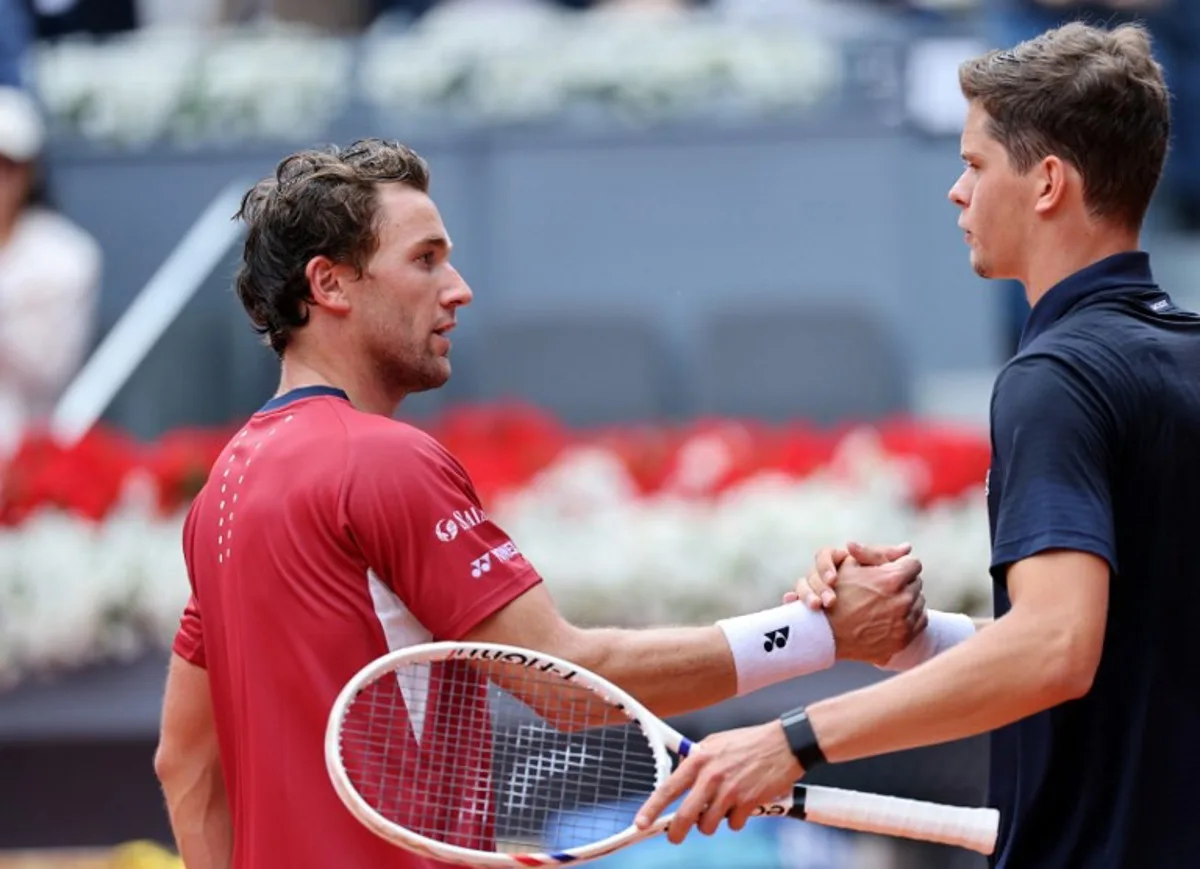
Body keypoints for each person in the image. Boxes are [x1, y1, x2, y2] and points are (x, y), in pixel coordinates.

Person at [152, 138, 930, 869]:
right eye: (425, 261)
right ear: (329, 285)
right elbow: (567, 680)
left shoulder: (224, 486)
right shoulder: (381, 460)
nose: (458, 290)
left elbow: (184, 761)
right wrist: (816, 634)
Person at [635, 21, 1200, 869]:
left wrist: (791, 740)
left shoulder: (1053, 378)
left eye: (975, 165)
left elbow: (1054, 650)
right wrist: (912, 640)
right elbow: (1130, 643)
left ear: (1047, 182)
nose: (955, 192)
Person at [0, 85, 102, 457]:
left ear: (28, 172)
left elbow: (48, 371)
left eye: (5, 166)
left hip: (23, 460)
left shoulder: (66, 256)